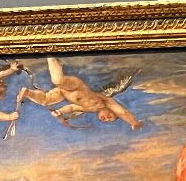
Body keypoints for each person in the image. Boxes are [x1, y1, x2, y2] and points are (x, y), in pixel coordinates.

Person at [13, 55, 142, 130]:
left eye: (107, 121)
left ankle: (27, 92)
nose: (107, 119)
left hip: (63, 93)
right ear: (111, 110)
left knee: (45, 100)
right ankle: (50, 55)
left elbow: (71, 107)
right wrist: (133, 122)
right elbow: (123, 112)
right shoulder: (105, 101)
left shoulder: (89, 109)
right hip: (76, 86)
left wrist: (60, 111)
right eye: (111, 117)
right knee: (58, 80)